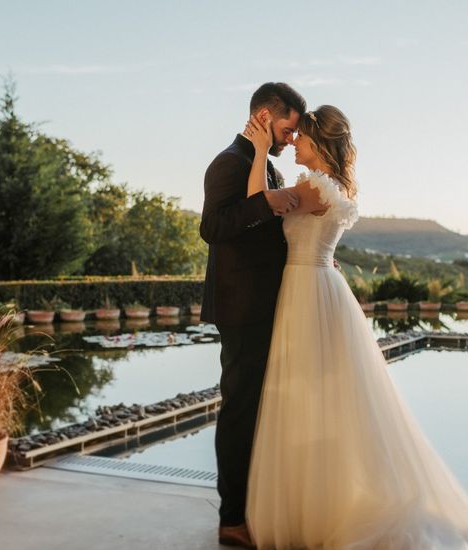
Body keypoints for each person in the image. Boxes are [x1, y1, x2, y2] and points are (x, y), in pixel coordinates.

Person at [240, 106, 468, 549]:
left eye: (300, 137)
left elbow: (255, 208)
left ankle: (316, 508)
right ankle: (318, 502)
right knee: (318, 402)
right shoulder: (327, 186)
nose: (293, 142)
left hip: (308, 290)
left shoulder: (314, 188)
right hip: (312, 287)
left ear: (318, 144)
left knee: (312, 399)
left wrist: (260, 150)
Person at [199, 82, 306, 548]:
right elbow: (213, 227)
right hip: (243, 310)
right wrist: (264, 201)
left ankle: (257, 503)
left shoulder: (266, 167)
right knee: (239, 411)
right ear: (264, 117)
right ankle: (231, 518)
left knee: (263, 409)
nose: (289, 139)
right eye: (287, 128)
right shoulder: (229, 162)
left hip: (269, 306)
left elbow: (267, 236)